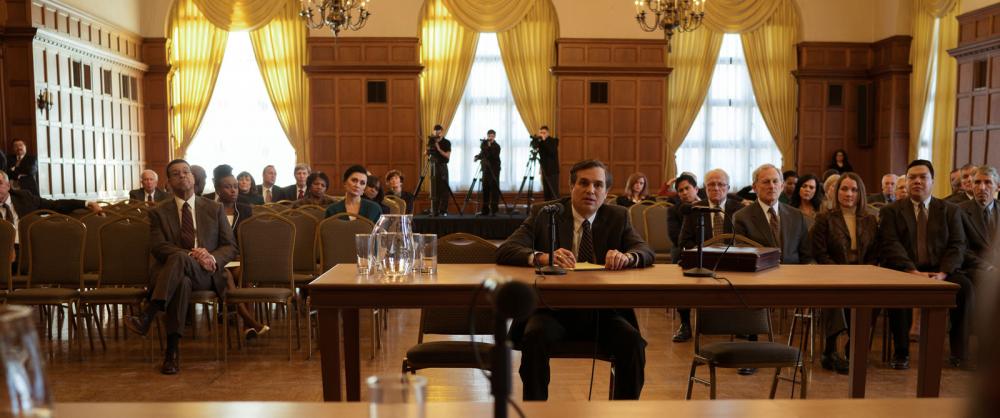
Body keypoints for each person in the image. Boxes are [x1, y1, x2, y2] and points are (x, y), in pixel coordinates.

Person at [496, 159, 654, 401]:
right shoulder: (545, 213)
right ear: (571, 187)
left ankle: (624, 411)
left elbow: (645, 250)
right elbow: (506, 250)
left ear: (606, 193)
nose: (591, 190)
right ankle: (535, 410)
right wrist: (543, 257)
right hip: (551, 310)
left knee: (633, 344)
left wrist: (628, 257)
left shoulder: (618, 216)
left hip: (603, 313)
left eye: (598, 185)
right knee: (534, 338)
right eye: (584, 183)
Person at [126, 159, 238, 375]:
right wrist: (191, 254)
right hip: (175, 273)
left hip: (205, 273)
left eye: (186, 172)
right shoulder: (159, 212)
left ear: (193, 178)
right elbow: (159, 247)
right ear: (168, 182)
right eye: (176, 173)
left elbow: (230, 246)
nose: (183, 176)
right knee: (182, 280)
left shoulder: (213, 208)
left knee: (180, 263)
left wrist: (211, 258)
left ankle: (150, 312)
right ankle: (172, 353)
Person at [877, 159, 972, 370]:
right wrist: (912, 271)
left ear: (932, 181)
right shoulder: (891, 211)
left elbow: (958, 245)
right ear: (906, 181)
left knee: (964, 287)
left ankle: (959, 352)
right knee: (895, 288)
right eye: (912, 177)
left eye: (923, 177)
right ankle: (901, 352)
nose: (917, 181)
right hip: (905, 270)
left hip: (941, 270)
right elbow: (890, 244)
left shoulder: (950, 210)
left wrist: (943, 273)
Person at [810, 172, 879, 374]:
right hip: (832, 273)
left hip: (863, 275)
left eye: (854, 190)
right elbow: (820, 253)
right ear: (836, 191)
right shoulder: (824, 218)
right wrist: (840, 272)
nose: (849, 194)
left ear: (861, 193)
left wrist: (865, 271)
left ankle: (852, 348)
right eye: (844, 189)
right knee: (837, 294)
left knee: (873, 297)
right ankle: (831, 350)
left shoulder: (870, 219)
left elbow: (876, 253)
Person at [673, 168, 744, 343]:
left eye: (721, 184)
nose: (716, 188)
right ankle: (685, 324)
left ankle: (744, 324)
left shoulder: (739, 210)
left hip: (732, 259)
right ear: (705, 188)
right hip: (702, 258)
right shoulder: (695, 209)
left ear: (728, 188)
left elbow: (744, 240)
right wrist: (704, 251)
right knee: (683, 271)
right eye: (711, 184)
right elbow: (684, 241)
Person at [212, 167, 269, 340]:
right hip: (217, 260)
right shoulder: (209, 209)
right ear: (218, 189)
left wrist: (241, 256)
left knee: (244, 275)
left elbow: (249, 239)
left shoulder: (245, 209)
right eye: (228, 187)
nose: (233, 190)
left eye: (235, 186)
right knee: (226, 275)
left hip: (238, 259)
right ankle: (250, 322)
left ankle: (246, 326)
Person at [733, 164, 813, 265]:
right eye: (766, 182)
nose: (771, 186)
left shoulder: (797, 215)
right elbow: (743, 256)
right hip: (761, 272)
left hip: (793, 272)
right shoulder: (741, 217)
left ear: (782, 186)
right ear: (755, 187)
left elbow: (806, 255)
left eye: (775, 181)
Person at [959, 165, 999, 278]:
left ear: (997, 187)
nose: (982, 187)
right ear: (972, 186)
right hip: (973, 270)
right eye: (977, 182)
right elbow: (961, 249)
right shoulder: (959, 211)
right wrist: (988, 268)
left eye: (988, 182)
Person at [667, 174, 700, 262]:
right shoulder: (673, 210)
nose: (684, 192)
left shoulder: (707, 206)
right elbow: (675, 237)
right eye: (681, 190)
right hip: (684, 246)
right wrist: (697, 247)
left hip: (709, 245)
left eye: (687, 188)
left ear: (696, 189)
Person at [427, 124, 452, 216]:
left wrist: (438, 148)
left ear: (442, 132)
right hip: (433, 166)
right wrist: (427, 151)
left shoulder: (447, 142)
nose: (437, 134)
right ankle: (434, 210)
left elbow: (447, 156)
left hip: (442, 166)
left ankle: (443, 210)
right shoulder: (431, 140)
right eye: (435, 132)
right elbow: (427, 153)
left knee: (444, 189)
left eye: (439, 132)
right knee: (434, 189)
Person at [476, 129, 502, 216]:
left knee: (494, 191)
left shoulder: (497, 146)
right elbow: (482, 154)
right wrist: (477, 157)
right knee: (485, 190)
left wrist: (489, 146)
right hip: (486, 170)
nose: (490, 138)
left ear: (494, 137)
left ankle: (494, 211)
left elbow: (493, 156)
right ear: (487, 136)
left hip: (494, 171)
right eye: (489, 136)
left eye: (492, 136)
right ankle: (485, 211)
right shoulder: (485, 145)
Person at [535, 125, 560, 200]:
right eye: (541, 133)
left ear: (548, 133)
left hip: (553, 171)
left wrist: (544, 140)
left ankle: (555, 205)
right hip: (544, 170)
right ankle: (547, 205)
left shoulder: (554, 141)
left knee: (553, 192)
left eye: (544, 133)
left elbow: (551, 151)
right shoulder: (540, 142)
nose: (542, 134)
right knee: (546, 192)